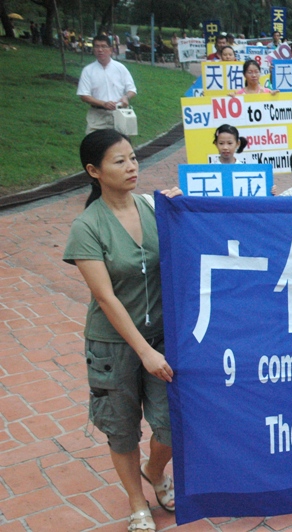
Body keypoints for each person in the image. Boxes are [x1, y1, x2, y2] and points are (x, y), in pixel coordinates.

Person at [63, 129, 182, 532]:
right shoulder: (87, 227)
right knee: (122, 430)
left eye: (133, 158)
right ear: (94, 171)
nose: (132, 166)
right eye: (119, 161)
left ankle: (155, 469)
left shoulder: (153, 207)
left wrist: (183, 210)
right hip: (113, 347)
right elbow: (106, 298)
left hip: (162, 338)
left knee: (172, 424)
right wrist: (144, 352)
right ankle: (136, 502)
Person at [77, 35, 137, 135]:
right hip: (97, 117)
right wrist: (103, 103)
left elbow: (132, 89)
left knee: (121, 143)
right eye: (97, 46)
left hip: (119, 115)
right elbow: (84, 95)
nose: (100, 50)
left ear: (111, 49)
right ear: (93, 49)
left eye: (104, 46)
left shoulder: (120, 68)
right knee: (94, 143)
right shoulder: (88, 70)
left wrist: (126, 97)